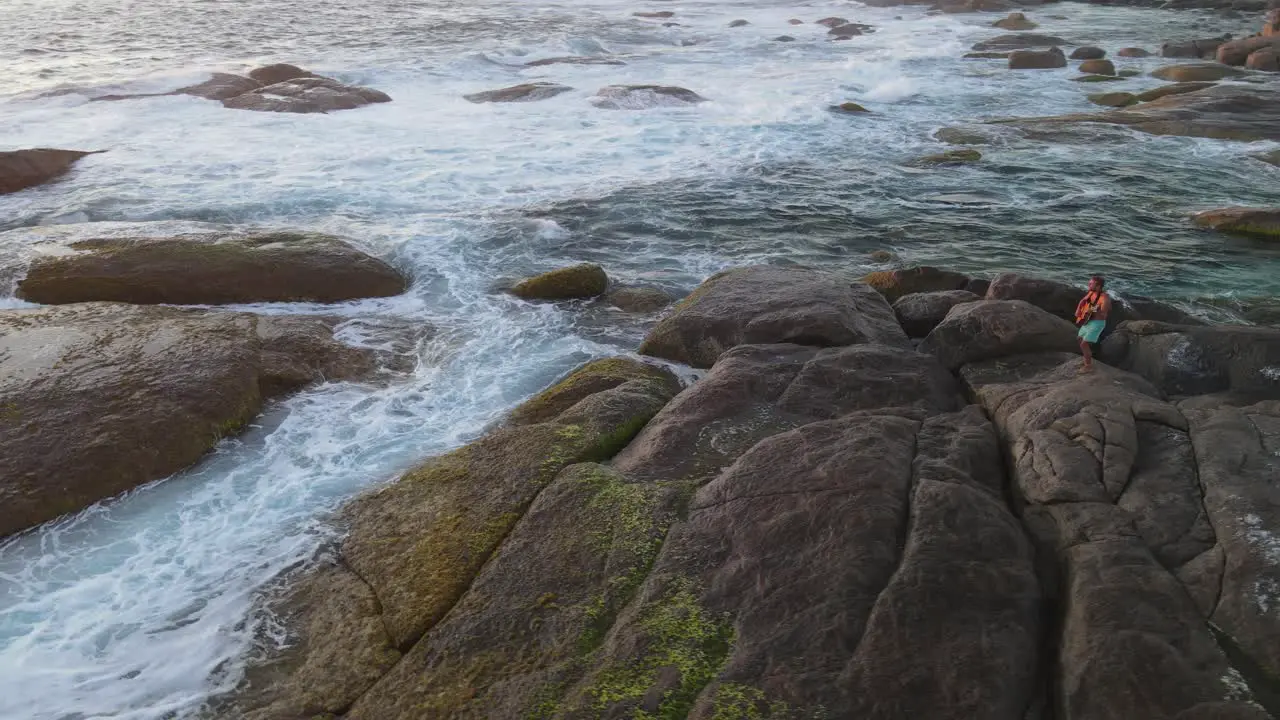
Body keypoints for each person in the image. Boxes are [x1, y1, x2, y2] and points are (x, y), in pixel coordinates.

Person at [1074, 275, 1111, 372]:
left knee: (1084, 344)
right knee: (1079, 339)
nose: (1088, 284)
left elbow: (1104, 314)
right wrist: (1079, 310)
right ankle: (1086, 359)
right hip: (1088, 320)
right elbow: (1083, 301)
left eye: (1091, 284)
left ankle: (1088, 366)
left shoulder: (1105, 298)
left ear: (1098, 286)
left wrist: (1092, 310)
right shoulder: (1091, 293)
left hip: (1097, 323)